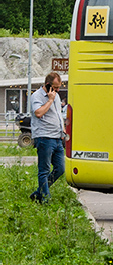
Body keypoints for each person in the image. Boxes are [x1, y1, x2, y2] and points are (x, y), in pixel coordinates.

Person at [29, 72, 66, 204]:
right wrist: (49, 100)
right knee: (44, 170)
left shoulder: (56, 96)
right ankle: (45, 199)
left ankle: (39, 192)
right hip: (44, 137)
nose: (57, 90)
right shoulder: (37, 96)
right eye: (55, 87)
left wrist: (62, 128)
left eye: (59, 87)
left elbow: (57, 114)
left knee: (60, 168)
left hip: (57, 137)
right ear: (48, 85)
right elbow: (38, 113)